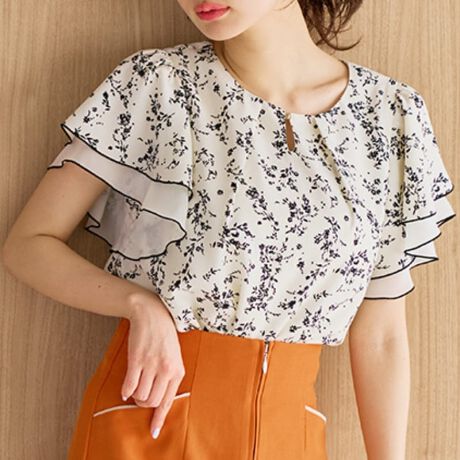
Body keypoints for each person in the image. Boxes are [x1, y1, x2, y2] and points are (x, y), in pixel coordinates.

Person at [2, 1, 456, 459]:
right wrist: (139, 305)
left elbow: (381, 334)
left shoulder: (391, 115)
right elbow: (28, 245)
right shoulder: (158, 84)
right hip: (152, 423)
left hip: (291, 437)